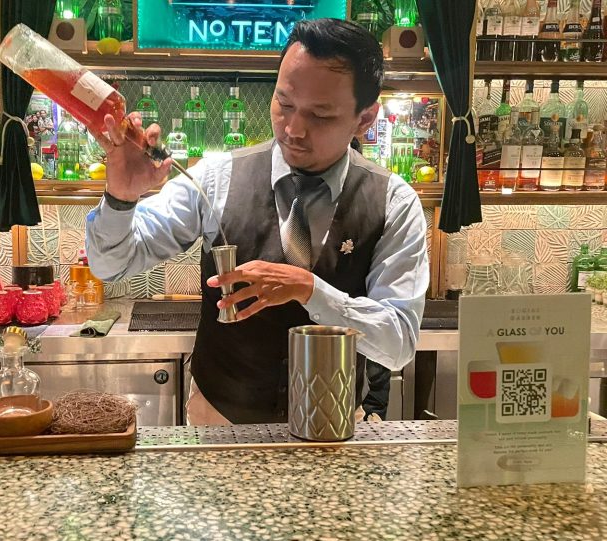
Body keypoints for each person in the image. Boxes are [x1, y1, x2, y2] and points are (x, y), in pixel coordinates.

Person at [86, 18, 429, 425]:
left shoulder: (393, 201)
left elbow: (398, 343)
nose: (294, 129)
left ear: (365, 118)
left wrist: (310, 290)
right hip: (219, 422)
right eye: (284, 104)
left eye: (320, 115)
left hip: (332, 425)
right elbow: (111, 265)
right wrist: (121, 198)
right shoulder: (216, 177)